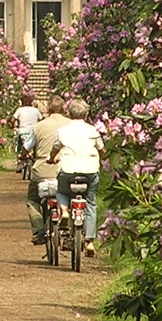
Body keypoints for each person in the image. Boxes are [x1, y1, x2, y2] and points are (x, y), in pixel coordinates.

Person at [48, 99, 104, 257]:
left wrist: (51, 158)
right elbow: (102, 150)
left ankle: (65, 211)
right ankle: (90, 241)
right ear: (86, 114)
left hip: (68, 170)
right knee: (90, 202)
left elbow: (55, 149)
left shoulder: (63, 131)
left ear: (69, 113)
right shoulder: (93, 131)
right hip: (90, 172)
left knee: (61, 192)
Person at [25, 96, 69, 246]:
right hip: (65, 170)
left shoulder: (39, 126)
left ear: (48, 109)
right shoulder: (70, 125)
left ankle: (39, 230)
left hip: (41, 171)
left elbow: (27, 146)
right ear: (64, 109)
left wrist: (23, 155)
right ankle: (70, 232)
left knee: (32, 200)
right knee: (70, 197)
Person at [13, 91, 42, 156]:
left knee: (21, 146)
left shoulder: (19, 110)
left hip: (23, 132)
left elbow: (13, 119)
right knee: (35, 147)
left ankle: (22, 155)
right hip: (34, 132)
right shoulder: (36, 110)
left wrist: (13, 127)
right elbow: (41, 120)